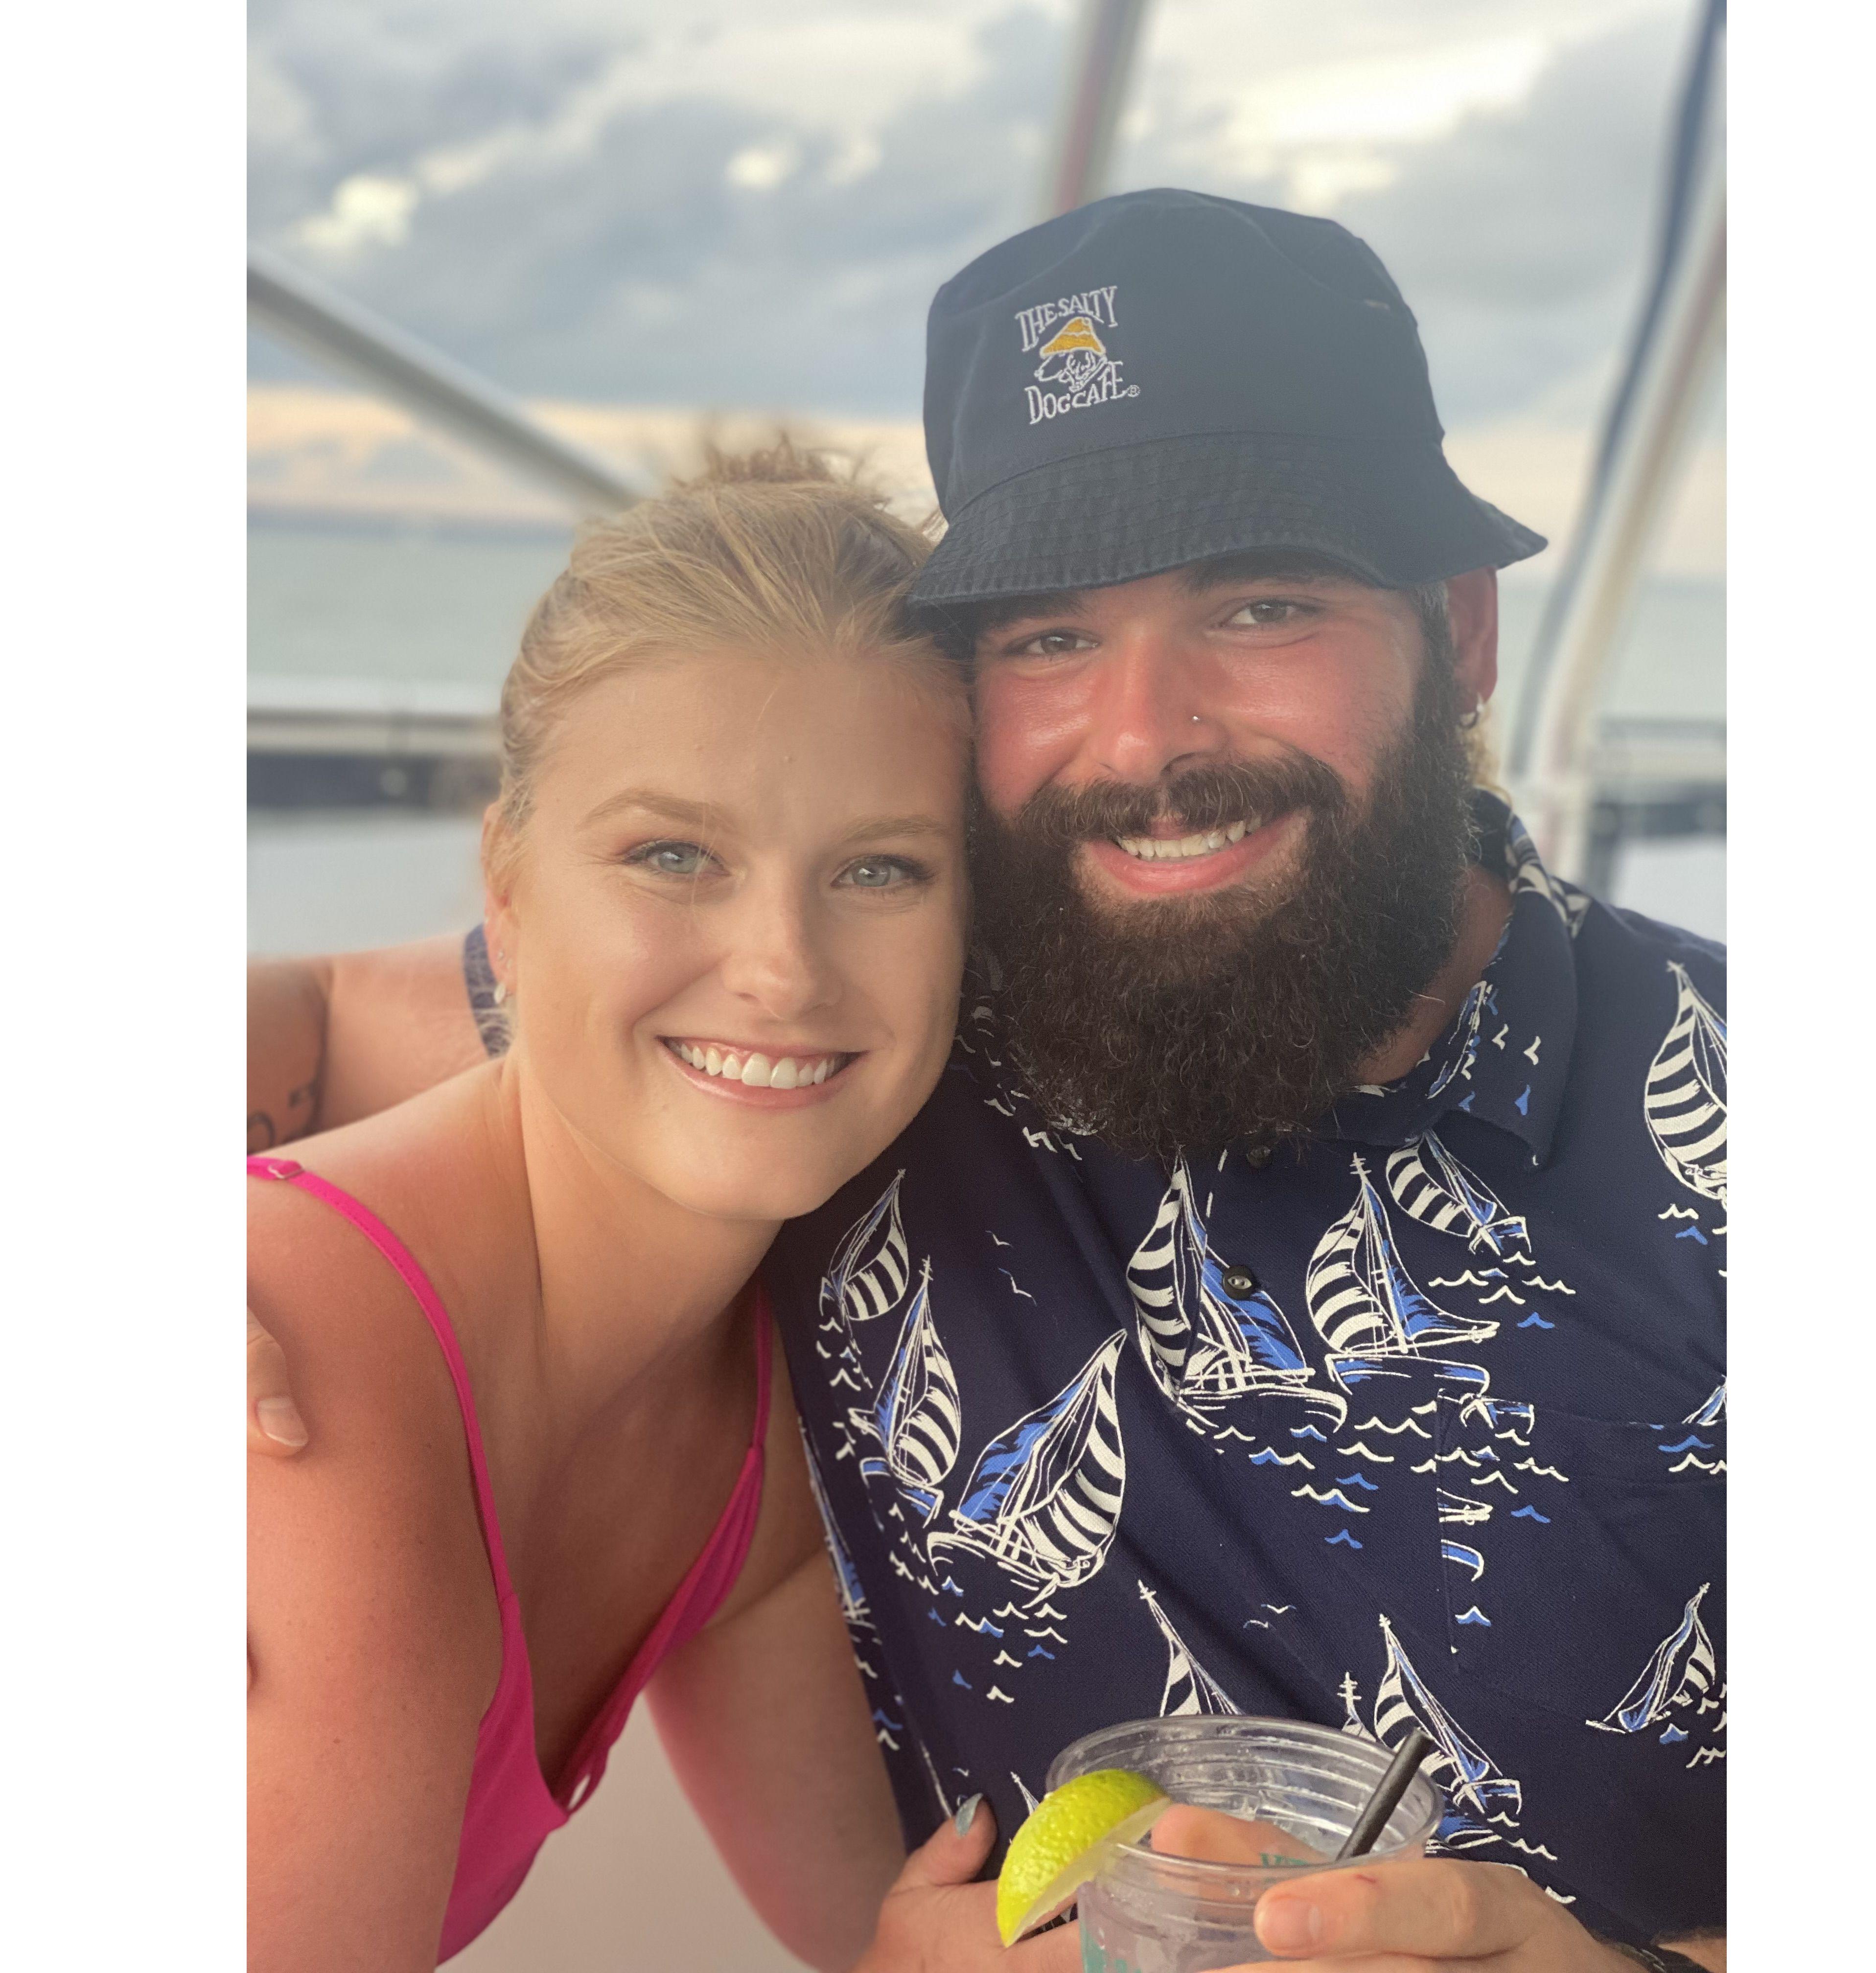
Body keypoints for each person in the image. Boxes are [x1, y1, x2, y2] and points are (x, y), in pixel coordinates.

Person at [249, 192, 1725, 1972]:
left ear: (1464, 633)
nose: (1146, 740)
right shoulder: (876, 1013)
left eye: (1261, 602)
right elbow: (320, 1021)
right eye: (1046, 638)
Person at [247, 447, 1075, 1973]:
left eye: (882, 870)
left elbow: (870, 1934)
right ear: (509, 890)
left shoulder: (745, 1462)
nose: (781, 967)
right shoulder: (288, 1407)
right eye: (673, 855)